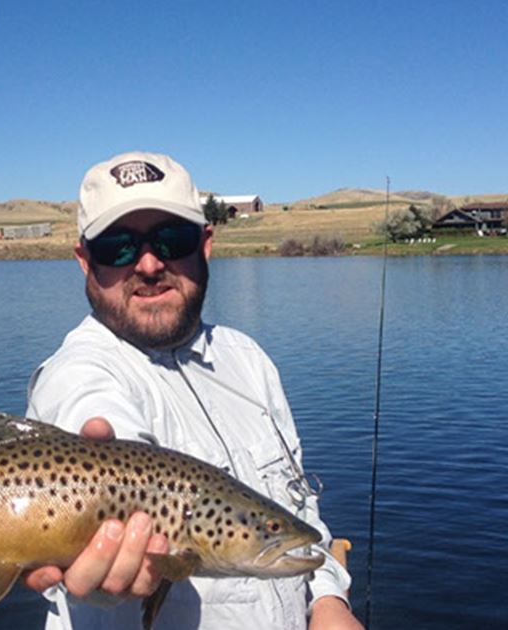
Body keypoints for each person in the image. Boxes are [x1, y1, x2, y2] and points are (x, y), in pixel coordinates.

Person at [22, 151, 362, 630]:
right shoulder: (76, 372)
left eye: (171, 239)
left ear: (204, 244)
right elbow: (90, 415)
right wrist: (106, 505)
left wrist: (328, 603)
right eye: (117, 247)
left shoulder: (249, 360)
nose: (147, 264)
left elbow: (299, 518)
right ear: (85, 262)